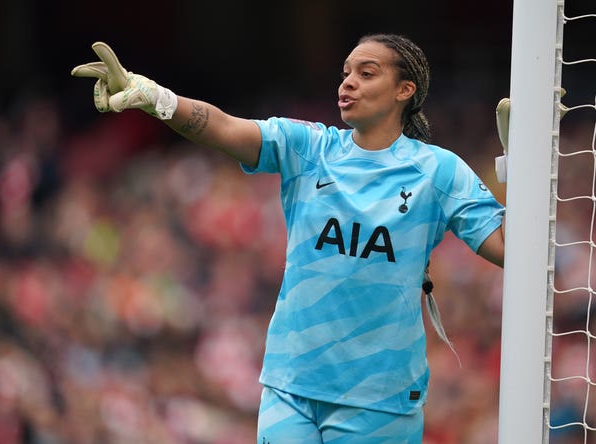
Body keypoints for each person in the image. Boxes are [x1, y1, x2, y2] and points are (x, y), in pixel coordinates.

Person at [72, 33, 505, 443]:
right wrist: (155, 99)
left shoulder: (440, 170)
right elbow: (222, 128)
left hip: (380, 398)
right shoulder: (309, 147)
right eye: (346, 72)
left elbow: (509, 251)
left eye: (367, 73)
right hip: (291, 384)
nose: (349, 82)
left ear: (404, 90)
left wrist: (525, 166)